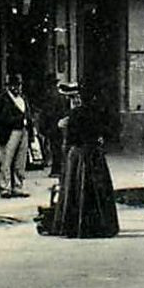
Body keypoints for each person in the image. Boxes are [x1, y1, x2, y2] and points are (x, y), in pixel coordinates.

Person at [45, 85, 120, 238]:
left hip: (78, 156)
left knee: (75, 189)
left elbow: (71, 138)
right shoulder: (99, 112)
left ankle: (74, 225)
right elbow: (109, 130)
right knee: (97, 191)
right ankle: (100, 225)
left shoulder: (75, 114)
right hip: (95, 156)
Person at [0, 74, 32, 198]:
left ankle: (18, 186)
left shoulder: (23, 98)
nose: (17, 88)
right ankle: (5, 187)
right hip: (10, 132)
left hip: (23, 131)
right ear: (9, 87)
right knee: (7, 160)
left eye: (19, 85)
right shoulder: (2, 99)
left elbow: (28, 114)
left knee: (20, 160)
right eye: (14, 86)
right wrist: (3, 128)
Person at [40, 79, 72, 178]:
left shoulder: (50, 98)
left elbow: (46, 113)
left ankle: (57, 169)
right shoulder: (60, 97)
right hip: (58, 125)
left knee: (56, 149)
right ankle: (59, 169)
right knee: (58, 148)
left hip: (54, 125)